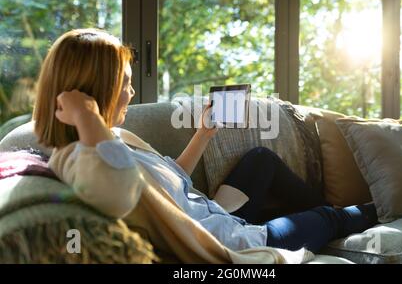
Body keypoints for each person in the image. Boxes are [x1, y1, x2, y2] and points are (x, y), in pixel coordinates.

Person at [33, 28, 378, 257]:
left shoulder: (115, 141)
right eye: (124, 83)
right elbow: (119, 188)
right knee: (330, 218)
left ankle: (313, 216)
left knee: (260, 159)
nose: (131, 93)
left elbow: (170, 182)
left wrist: (203, 133)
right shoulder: (84, 158)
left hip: (218, 215)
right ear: (95, 90)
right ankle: (377, 212)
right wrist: (89, 117)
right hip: (233, 243)